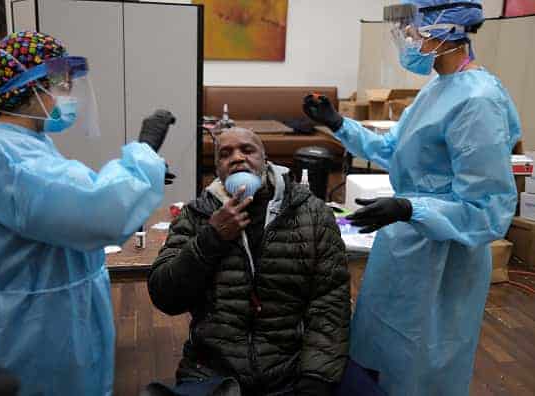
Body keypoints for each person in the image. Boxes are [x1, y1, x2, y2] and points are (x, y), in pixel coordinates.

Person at [303, 1, 521, 395]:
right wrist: (337, 123)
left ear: (448, 31)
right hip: (406, 245)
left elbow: (488, 211)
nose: (407, 39)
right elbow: (393, 149)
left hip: (444, 260)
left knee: (423, 364)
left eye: (414, 30)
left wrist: (411, 207)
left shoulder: (478, 101)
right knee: (380, 349)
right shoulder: (438, 88)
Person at [0, 31, 175, 396]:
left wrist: (136, 174)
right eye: (58, 84)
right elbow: (99, 211)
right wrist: (144, 152)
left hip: (49, 313)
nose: (66, 95)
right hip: (35, 329)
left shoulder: (22, 144)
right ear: (27, 87)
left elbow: (67, 196)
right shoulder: (1, 154)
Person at [146, 127, 350, 396]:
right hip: (212, 369)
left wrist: (316, 376)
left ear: (265, 160)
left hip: (293, 367)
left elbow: (330, 300)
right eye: (225, 154)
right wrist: (210, 240)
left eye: (247, 150)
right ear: (217, 169)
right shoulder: (196, 216)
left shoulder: (312, 213)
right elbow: (165, 296)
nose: (237, 158)